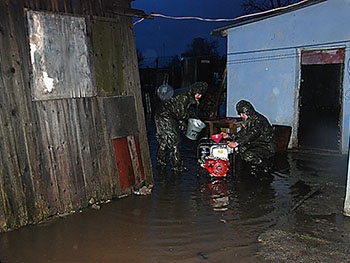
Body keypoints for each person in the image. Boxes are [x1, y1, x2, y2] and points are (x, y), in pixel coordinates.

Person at [154, 82, 208, 171]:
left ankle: (161, 162)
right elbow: (181, 115)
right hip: (165, 116)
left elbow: (179, 113)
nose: (200, 96)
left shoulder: (187, 93)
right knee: (175, 142)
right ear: (195, 91)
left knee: (165, 140)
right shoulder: (184, 97)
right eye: (198, 94)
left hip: (164, 113)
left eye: (201, 94)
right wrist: (189, 119)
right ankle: (176, 166)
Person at [222, 100, 277, 174]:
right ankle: (253, 167)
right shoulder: (250, 119)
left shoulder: (259, 120)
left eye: (243, 113)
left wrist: (236, 143)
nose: (241, 116)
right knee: (241, 149)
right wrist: (229, 135)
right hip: (257, 143)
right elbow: (243, 133)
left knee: (248, 155)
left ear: (248, 112)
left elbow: (252, 134)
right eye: (240, 113)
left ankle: (265, 165)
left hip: (267, 146)